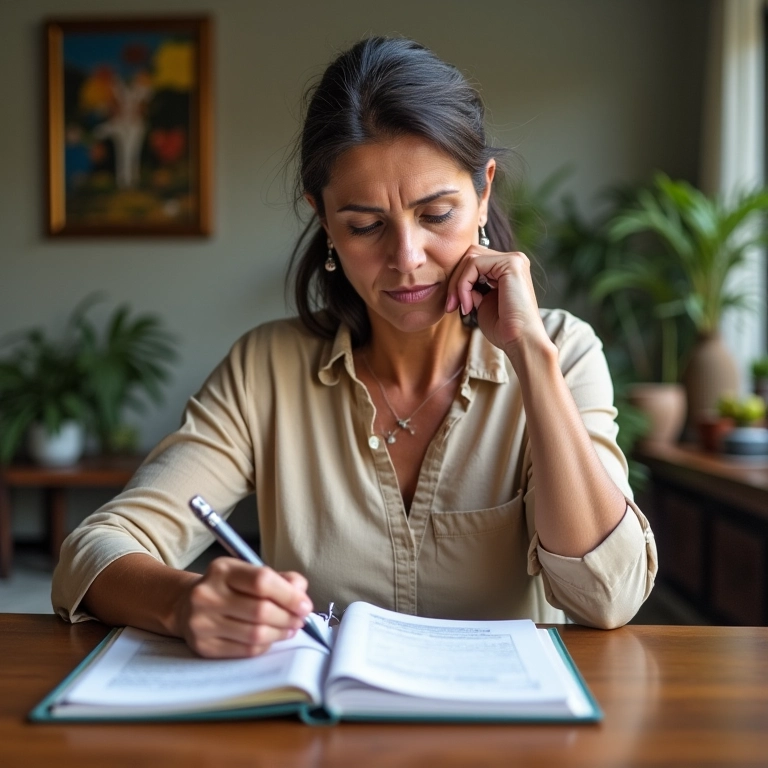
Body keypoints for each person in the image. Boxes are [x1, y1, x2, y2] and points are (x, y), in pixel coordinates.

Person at [52, 37, 657, 658]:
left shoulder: (561, 350)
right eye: (365, 225)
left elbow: (607, 597)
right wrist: (184, 602)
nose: (406, 259)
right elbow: (95, 549)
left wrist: (530, 357)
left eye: (437, 214)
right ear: (325, 221)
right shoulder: (267, 368)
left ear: (483, 194)